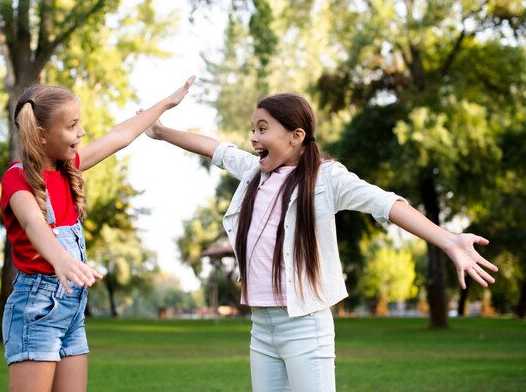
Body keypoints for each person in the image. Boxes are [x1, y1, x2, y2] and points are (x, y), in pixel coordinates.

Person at [143, 92, 498, 392]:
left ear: (296, 136)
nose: (253, 137)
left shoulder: (326, 179)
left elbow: (387, 204)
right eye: (253, 128)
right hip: (261, 327)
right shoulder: (255, 172)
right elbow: (215, 149)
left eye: (262, 129)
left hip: (304, 326)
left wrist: (449, 240)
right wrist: (160, 131)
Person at [0, 76, 196, 392]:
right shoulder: (17, 178)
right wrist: (60, 259)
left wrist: (166, 102)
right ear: (41, 134)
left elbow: (120, 135)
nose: (83, 132)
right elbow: (34, 223)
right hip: (37, 309)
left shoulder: (70, 168)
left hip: (72, 311)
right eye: (72, 125)